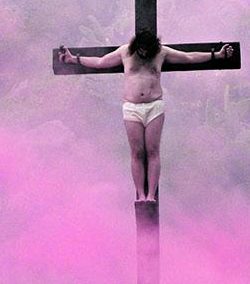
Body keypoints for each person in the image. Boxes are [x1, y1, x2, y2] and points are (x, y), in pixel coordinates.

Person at [59, 32, 234, 202]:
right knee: (136, 152)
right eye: (141, 50)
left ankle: (151, 195)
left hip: (154, 106)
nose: (144, 54)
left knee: (152, 151)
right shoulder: (125, 52)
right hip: (132, 107)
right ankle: (141, 195)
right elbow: (100, 62)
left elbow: (188, 57)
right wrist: (73, 58)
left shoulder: (161, 53)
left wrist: (216, 55)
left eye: (147, 51)